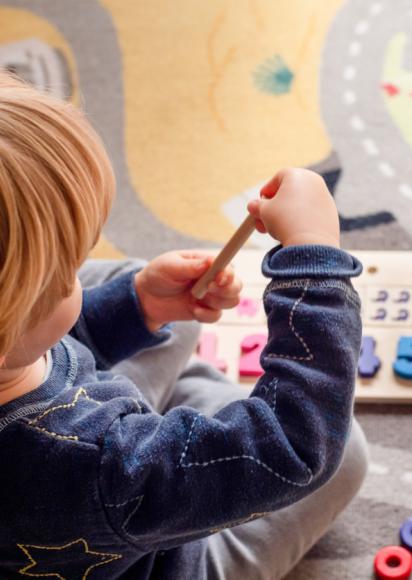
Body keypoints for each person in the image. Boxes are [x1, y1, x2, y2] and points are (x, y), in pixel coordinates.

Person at [0, 71, 368, 579]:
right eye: (64, 275)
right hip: (162, 554)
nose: (74, 276)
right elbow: (296, 446)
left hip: (88, 483)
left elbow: (38, 342)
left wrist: (137, 308)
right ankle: (178, 439)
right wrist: (313, 260)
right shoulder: (102, 467)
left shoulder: (11, 353)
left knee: (137, 289)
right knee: (344, 450)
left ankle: (168, 411)